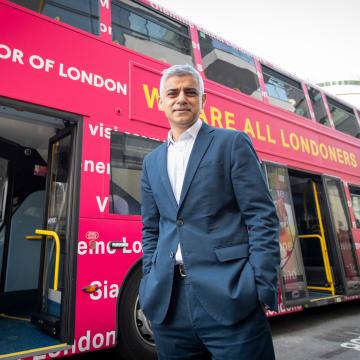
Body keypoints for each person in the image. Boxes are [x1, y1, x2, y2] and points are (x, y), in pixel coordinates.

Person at [139, 64, 280, 359]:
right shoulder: (151, 162)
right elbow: (152, 229)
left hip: (231, 295)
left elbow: (262, 217)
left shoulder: (231, 143)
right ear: (160, 101)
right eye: (173, 93)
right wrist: (149, 279)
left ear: (203, 101)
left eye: (191, 92)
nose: (182, 99)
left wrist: (260, 287)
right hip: (169, 303)